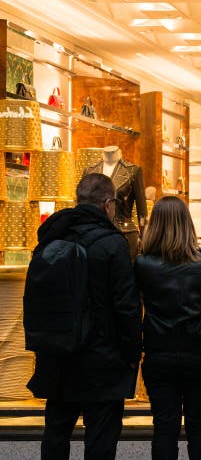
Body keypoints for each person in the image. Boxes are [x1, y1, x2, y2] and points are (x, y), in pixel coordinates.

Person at [27, 173, 142, 460]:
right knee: (101, 439)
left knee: (56, 434)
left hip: (57, 355)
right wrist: (132, 352)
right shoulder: (112, 244)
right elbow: (126, 306)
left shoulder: (51, 236)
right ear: (107, 204)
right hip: (102, 358)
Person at [134, 196, 201, 460]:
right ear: (187, 225)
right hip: (200, 356)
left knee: (164, 429)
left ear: (154, 226)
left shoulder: (142, 265)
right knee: (200, 430)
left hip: (159, 356)